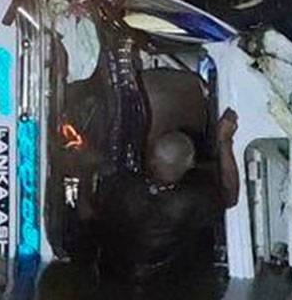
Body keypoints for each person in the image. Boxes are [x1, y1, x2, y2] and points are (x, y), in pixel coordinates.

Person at [95, 109, 240, 283]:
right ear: (190, 164)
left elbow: (90, 212)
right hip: (168, 287)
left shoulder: (121, 187)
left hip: (116, 282)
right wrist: (225, 141)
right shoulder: (192, 200)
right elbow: (230, 195)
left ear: (151, 158)